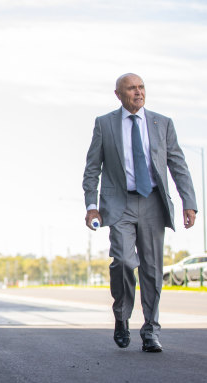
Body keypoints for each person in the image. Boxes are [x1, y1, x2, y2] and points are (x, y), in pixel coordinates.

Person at [82, 73, 197, 352]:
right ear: (118, 94)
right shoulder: (105, 124)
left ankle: (150, 330)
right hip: (119, 204)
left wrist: (188, 201)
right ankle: (122, 317)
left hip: (153, 203)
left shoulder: (162, 123)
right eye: (131, 88)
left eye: (141, 87)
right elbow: (92, 168)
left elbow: (177, 164)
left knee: (152, 269)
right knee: (121, 261)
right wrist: (91, 206)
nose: (138, 92)